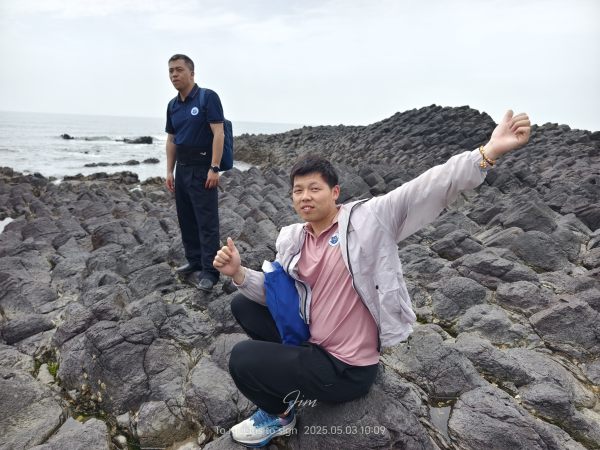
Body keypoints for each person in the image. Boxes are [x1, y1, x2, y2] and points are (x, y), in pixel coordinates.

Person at [213, 110, 531, 447]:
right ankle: (290, 381)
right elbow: (281, 297)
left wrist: (488, 152)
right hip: (312, 340)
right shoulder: (294, 239)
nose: (305, 196)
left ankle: (279, 416)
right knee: (242, 304)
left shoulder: (369, 220)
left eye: (314, 188)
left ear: (335, 192)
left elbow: (429, 186)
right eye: (298, 190)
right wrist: (239, 274)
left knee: (243, 358)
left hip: (345, 368)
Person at [165, 54, 224, 291]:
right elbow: (171, 139)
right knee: (186, 218)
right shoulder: (172, 105)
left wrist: (214, 167)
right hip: (182, 168)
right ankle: (194, 260)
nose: (174, 75)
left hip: (203, 168)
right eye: (171, 71)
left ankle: (210, 271)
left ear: (191, 73)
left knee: (206, 221)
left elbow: (218, 133)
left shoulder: (207, 97)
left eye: (179, 70)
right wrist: (169, 171)